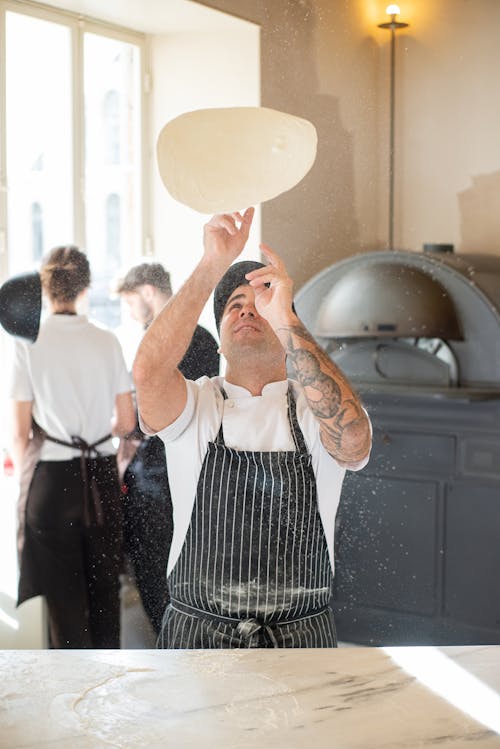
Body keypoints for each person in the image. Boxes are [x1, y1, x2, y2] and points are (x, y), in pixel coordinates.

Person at [132, 207, 372, 649]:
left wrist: (285, 315)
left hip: (300, 641)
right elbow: (147, 374)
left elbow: (354, 444)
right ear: (220, 338)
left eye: (259, 305)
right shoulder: (196, 405)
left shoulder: (314, 411)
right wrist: (211, 265)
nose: (246, 312)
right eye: (234, 306)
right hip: (197, 640)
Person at [8, 245, 136, 649]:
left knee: (65, 606)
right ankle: (109, 703)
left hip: (51, 480)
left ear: (45, 289)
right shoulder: (107, 340)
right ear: (86, 286)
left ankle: (69, 708)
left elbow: (18, 432)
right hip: (99, 478)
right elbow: (127, 422)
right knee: (105, 598)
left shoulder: (28, 342)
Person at [115, 262, 219, 634]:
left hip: (158, 481)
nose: (130, 314)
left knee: (155, 575)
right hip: (200, 476)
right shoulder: (206, 337)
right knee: (189, 575)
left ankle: (169, 647)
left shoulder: (158, 342)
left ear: (146, 292)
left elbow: (146, 417)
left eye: (130, 303)